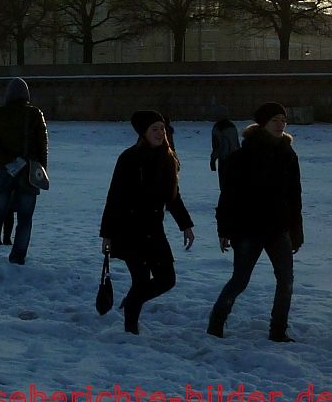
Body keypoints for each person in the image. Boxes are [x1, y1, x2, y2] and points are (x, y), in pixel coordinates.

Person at [208, 102, 303, 343]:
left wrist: (296, 230)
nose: (281, 124)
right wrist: (224, 229)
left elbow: (294, 196)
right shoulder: (243, 156)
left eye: (283, 120)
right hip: (248, 229)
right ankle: (216, 322)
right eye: (275, 120)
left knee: (286, 280)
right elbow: (228, 195)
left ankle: (278, 330)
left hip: (278, 228)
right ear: (263, 124)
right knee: (240, 279)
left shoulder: (288, 154)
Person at [99, 110, 195, 335]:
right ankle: (131, 328)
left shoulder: (168, 158)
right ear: (144, 132)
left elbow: (173, 197)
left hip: (154, 229)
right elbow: (114, 197)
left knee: (167, 279)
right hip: (129, 230)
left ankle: (132, 303)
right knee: (141, 279)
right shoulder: (129, 158)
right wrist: (107, 234)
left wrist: (186, 225)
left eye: (162, 129)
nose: (160, 133)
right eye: (155, 129)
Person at [0, 78, 48, 266]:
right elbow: (42, 147)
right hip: (28, 171)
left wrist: (5, 158)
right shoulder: (35, 115)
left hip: (3, 170)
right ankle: (18, 258)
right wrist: (41, 172)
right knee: (25, 219)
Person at [209, 106, 240, 192]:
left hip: (224, 159)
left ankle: (225, 203)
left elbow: (217, 145)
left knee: (224, 184)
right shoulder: (232, 126)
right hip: (235, 158)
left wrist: (213, 159)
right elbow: (236, 143)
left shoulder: (218, 127)